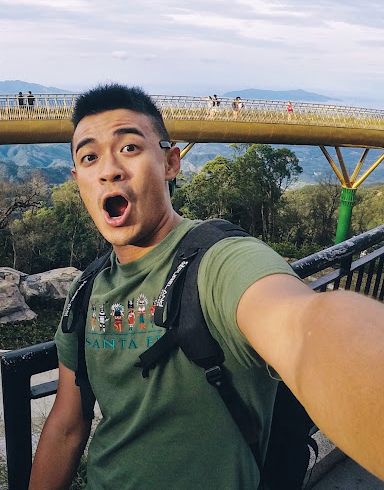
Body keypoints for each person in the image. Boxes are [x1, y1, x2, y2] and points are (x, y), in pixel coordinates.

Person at [29, 83, 384, 490]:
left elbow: (305, 325)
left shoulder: (220, 262)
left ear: (170, 163)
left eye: (129, 147)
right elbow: (68, 424)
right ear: (78, 180)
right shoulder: (86, 289)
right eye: (89, 157)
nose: (109, 170)